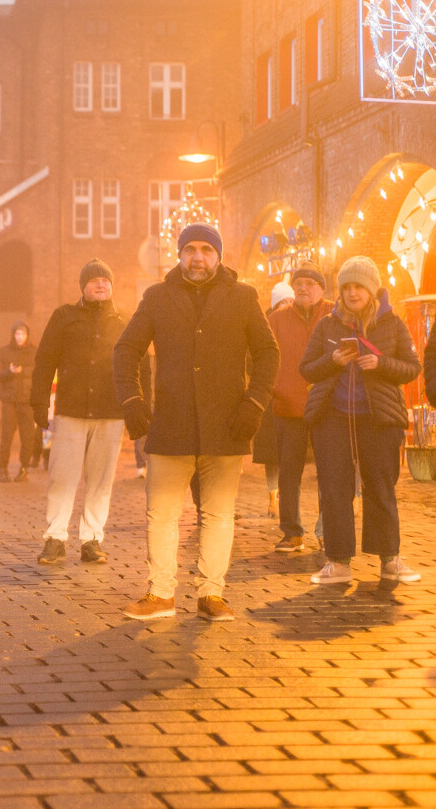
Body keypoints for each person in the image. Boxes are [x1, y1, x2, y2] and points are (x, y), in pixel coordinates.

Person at [113, 223, 279, 621]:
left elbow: (268, 353)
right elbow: (125, 349)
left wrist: (254, 404)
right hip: (171, 425)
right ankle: (161, 594)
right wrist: (133, 401)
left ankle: (211, 594)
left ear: (218, 255)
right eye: (190, 249)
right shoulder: (157, 296)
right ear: (179, 254)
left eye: (206, 249)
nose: (198, 257)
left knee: (219, 513)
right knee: (162, 514)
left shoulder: (243, 297)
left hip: (227, 426)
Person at [301, 256, 420, 585]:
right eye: (346, 287)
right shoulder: (328, 324)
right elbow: (307, 368)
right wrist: (333, 360)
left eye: (359, 287)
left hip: (379, 419)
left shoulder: (392, 323)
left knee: (381, 487)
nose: (352, 293)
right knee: (334, 489)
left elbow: (412, 367)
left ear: (372, 289)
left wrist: (380, 364)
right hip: (333, 418)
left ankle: (390, 559)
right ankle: (338, 562)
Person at [31, 259, 128, 565]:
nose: (101, 284)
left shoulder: (124, 320)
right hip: (71, 410)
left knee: (101, 480)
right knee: (62, 477)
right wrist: (39, 401)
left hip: (110, 411)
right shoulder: (64, 316)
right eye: (94, 280)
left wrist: (140, 407)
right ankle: (55, 538)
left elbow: (137, 365)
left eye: (106, 280)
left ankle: (92, 540)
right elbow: (45, 360)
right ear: (83, 286)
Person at [267, 262, 332, 553]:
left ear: (321, 289)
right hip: (288, 404)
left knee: (330, 472)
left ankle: (327, 530)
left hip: (328, 406)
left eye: (311, 283)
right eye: (299, 283)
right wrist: (272, 391)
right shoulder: (278, 319)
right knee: (289, 473)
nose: (304, 288)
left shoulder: (335, 313)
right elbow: (265, 357)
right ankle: (292, 532)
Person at [253, 281, 294, 520]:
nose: (287, 306)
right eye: (282, 302)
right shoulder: (264, 325)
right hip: (271, 397)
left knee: (289, 453)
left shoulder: (297, 323)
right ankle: (273, 497)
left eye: (290, 301)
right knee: (272, 454)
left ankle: (285, 498)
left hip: (291, 395)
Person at [0, 320, 37, 483]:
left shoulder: (34, 352)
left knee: (28, 437)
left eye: (23, 334)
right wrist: (9, 372)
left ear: (27, 335)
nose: (20, 337)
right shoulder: (4, 352)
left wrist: (22, 371)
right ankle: (2, 469)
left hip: (27, 401)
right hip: (9, 401)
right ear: (13, 335)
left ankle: (24, 469)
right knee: (6, 436)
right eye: (17, 334)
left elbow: (39, 372)